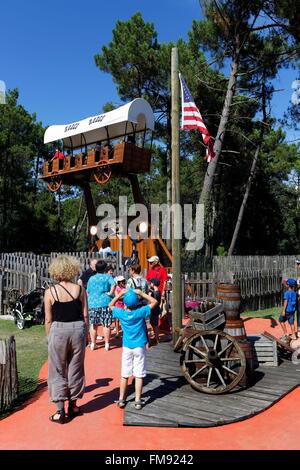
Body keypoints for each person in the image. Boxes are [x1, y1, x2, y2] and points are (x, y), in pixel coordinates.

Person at [44, 255, 89, 424]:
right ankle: (74, 405)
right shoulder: (80, 289)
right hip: (77, 329)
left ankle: (59, 411)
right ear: (72, 269)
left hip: (58, 330)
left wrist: (49, 337)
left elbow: (48, 319)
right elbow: (85, 314)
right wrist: (87, 334)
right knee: (76, 368)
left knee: (57, 369)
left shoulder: (50, 292)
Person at [109, 288, 158, 409]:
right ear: (137, 302)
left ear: (125, 303)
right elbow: (154, 302)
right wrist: (141, 293)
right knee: (139, 374)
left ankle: (121, 399)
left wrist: (119, 294)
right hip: (140, 346)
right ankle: (137, 400)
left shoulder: (121, 313)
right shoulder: (141, 312)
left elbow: (110, 305)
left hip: (127, 346)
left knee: (125, 374)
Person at [86, 259, 115, 351]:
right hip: (105, 302)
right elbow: (114, 284)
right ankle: (107, 344)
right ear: (105, 268)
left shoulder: (91, 278)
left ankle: (93, 344)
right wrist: (110, 293)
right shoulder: (107, 277)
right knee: (106, 324)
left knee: (93, 324)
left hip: (93, 303)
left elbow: (88, 291)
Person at [148, 278, 161, 344]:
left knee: (155, 324)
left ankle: (157, 338)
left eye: (151, 283)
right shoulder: (157, 291)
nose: (150, 284)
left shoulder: (155, 292)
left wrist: (149, 295)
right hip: (155, 309)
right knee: (153, 323)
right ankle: (156, 337)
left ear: (153, 284)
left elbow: (152, 301)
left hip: (154, 309)